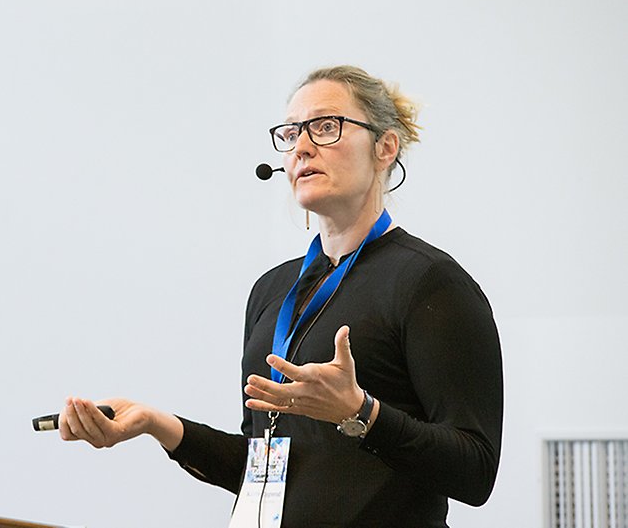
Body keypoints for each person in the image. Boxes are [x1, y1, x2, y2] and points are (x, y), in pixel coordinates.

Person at [58, 65, 503, 527]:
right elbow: (264, 470)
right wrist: (156, 423)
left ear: (385, 147)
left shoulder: (430, 282)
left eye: (327, 126)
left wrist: (360, 413)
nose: (303, 146)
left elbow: (475, 470)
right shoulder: (272, 291)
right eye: (292, 133)